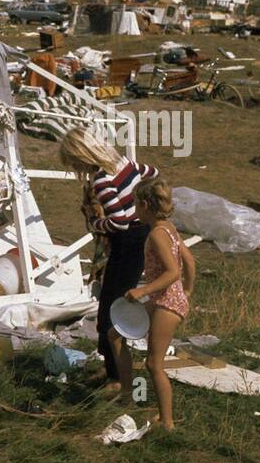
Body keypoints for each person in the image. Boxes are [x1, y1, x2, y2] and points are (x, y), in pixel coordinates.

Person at [59, 127, 158, 392]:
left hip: (128, 243)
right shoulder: (124, 164)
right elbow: (153, 173)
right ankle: (111, 366)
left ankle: (117, 380)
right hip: (142, 235)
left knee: (110, 310)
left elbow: (120, 222)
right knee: (109, 303)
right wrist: (143, 201)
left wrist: (97, 224)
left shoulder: (101, 181)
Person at [124, 179, 195, 431]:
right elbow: (188, 259)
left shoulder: (156, 234)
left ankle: (167, 422)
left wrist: (142, 289)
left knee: (155, 364)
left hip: (165, 302)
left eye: (135, 205)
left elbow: (173, 271)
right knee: (115, 333)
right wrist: (187, 290)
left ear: (144, 205)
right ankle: (128, 393)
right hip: (166, 298)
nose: (134, 210)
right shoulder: (168, 228)